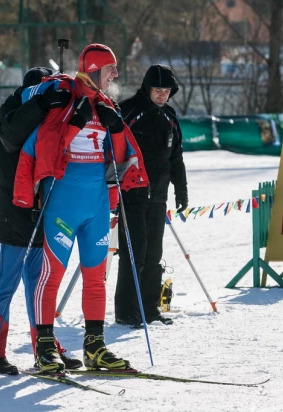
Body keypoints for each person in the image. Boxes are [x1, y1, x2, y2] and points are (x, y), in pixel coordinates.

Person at [13, 44, 149, 373]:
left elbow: (117, 159)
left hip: (98, 206)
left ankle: (95, 347)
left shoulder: (106, 106)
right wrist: (75, 121)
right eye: (110, 68)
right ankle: (45, 347)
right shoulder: (65, 100)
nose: (115, 74)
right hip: (64, 202)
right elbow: (39, 145)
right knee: (51, 276)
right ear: (93, 69)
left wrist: (115, 128)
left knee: (96, 279)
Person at [0, 67, 83, 375]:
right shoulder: (11, 117)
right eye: (43, 92)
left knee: (39, 287)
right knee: (5, 285)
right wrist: (41, 103)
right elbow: (14, 138)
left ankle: (46, 349)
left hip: (41, 212)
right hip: (12, 214)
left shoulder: (47, 123)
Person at [114, 64, 188, 327]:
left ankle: (149, 308)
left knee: (154, 254)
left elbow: (176, 158)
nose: (162, 95)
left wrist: (181, 189)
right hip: (131, 195)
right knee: (134, 253)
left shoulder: (169, 116)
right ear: (147, 88)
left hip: (158, 196)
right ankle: (126, 310)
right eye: (157, 90)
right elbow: (111, 153)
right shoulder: (127, 111)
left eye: (166, 91)